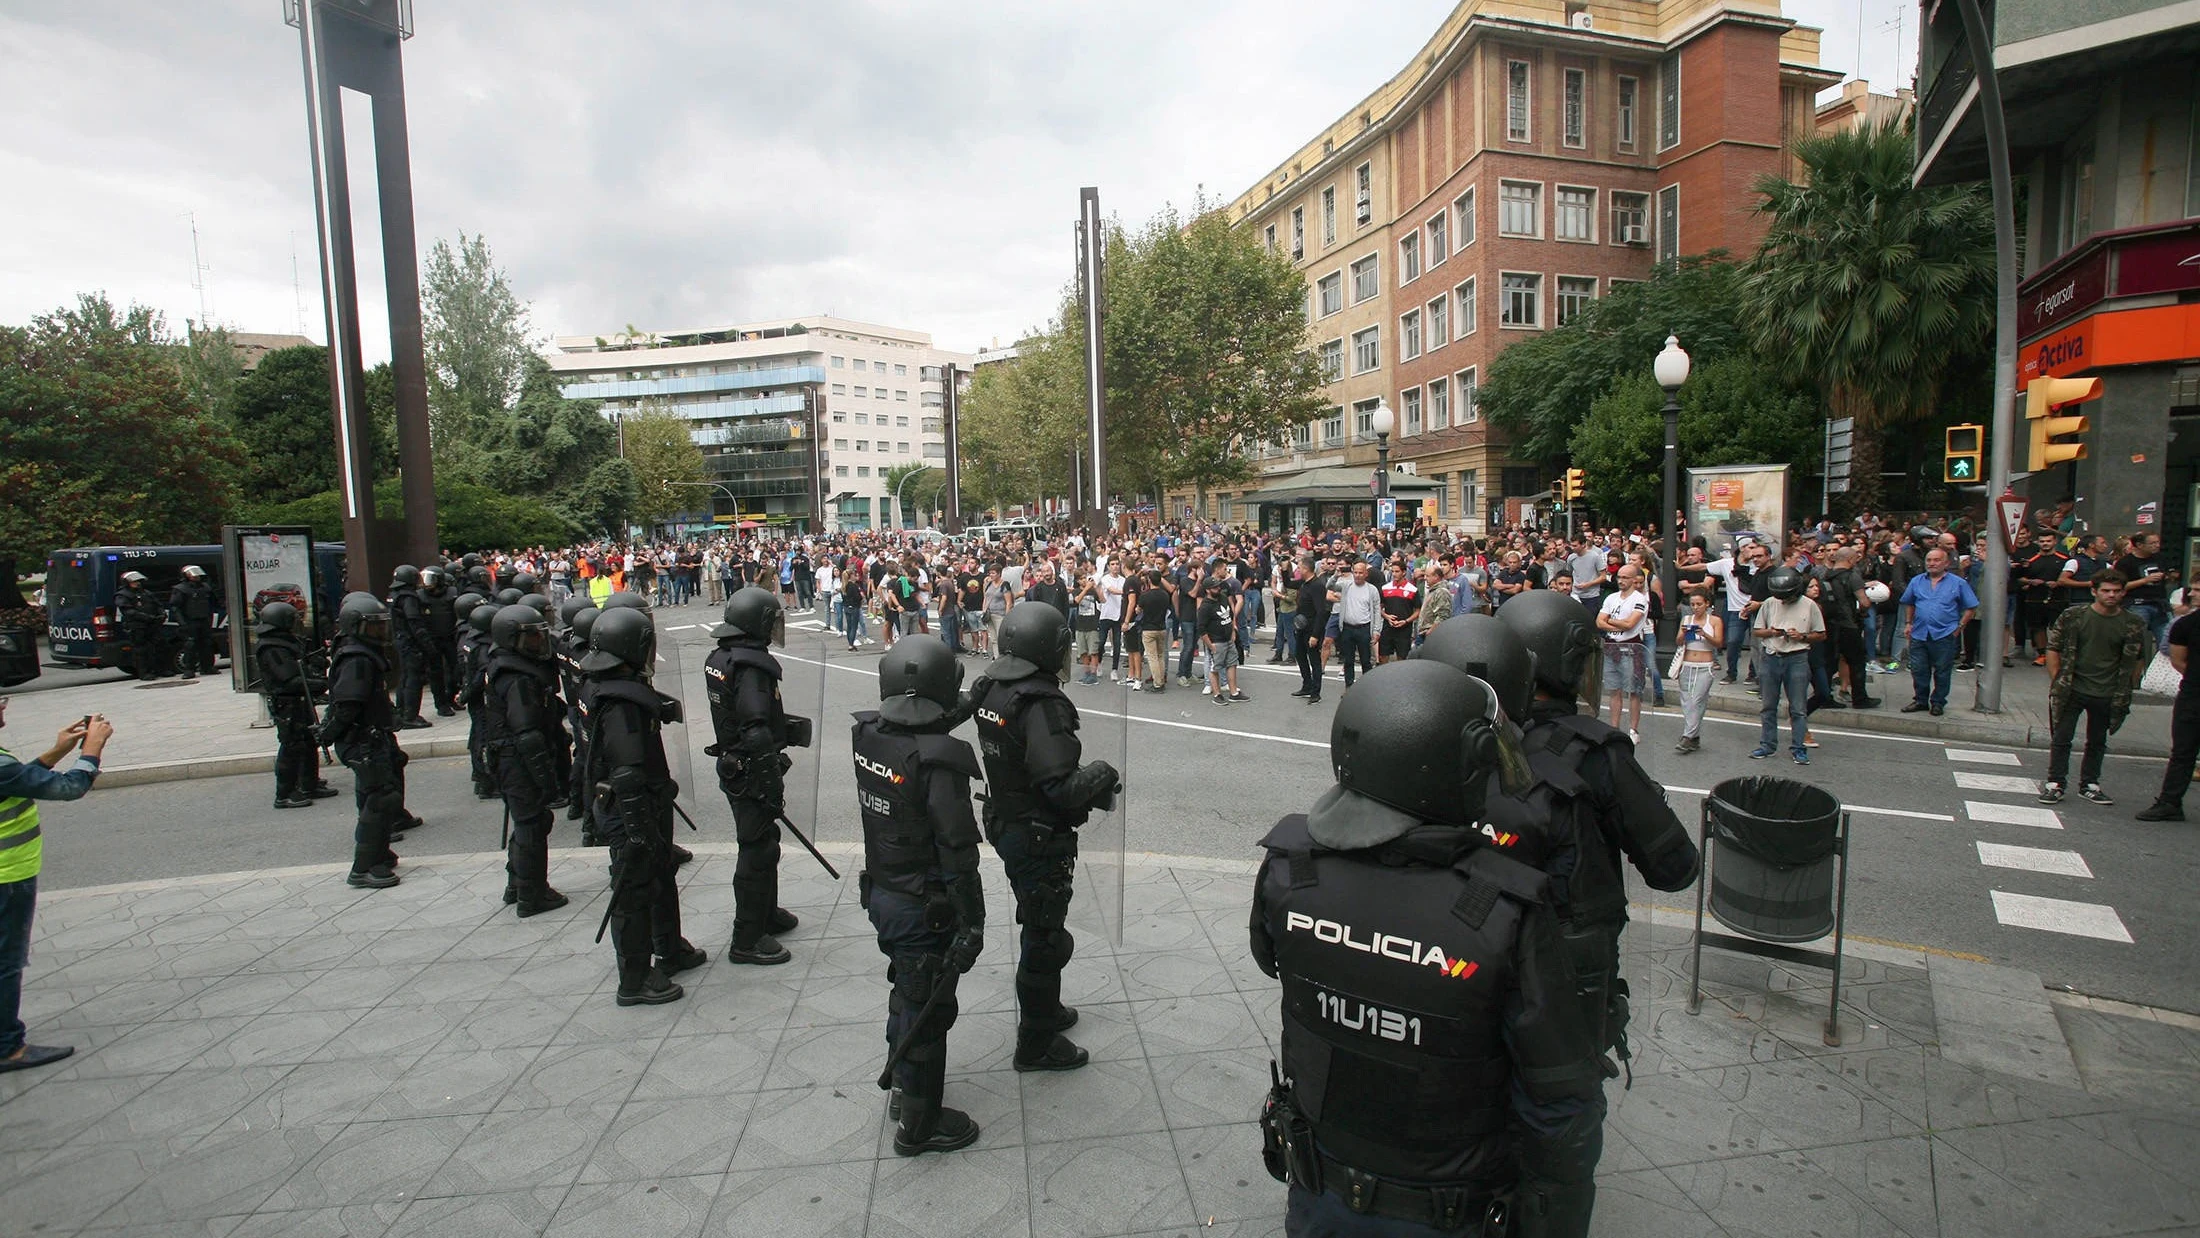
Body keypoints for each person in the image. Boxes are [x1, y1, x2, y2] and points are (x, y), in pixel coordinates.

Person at [1249, 661, 1606, 1238]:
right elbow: (1559, 1096)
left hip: (1320, 1194)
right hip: (1448, 1211)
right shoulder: (1502, 908)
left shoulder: (1292, 868)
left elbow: (1272, 961)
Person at [853, 636, 988, 1154]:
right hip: (925, 905)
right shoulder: (942, 762)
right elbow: (958, 853)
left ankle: (904, 1084)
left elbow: (910, 731)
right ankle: (920, 1123)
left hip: (886, 892)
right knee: (930, 1007)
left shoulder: (868, 736)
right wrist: (973, 923)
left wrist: (966, 705)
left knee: (907, 991)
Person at [969, 602, 1118, 1071]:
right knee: (1044, 936)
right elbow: (1059, 787)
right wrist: (1101, 773)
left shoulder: (992, 685)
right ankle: (1036, 1042)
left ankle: (1047, 1011)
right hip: (1037, 834)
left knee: (1041, 926)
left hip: (1008, 821)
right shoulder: (1041, 703)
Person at [580, 605, 696, 1006]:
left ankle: (669, 948)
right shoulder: (621, 702)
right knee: (633, 888)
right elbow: (627, 769)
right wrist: (636, 826)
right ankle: (634, 978)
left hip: (645, 799)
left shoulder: (600, 683)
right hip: (632, 804)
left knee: (660, 875)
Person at [0, 698, 112, 1074]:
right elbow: (69, 788)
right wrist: (91, 750)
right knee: (6, 962)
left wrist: (55, 751)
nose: (4, 707)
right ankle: (7, 1047)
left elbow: (14, 782)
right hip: (7, 876)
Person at [704, 587, 809, 965]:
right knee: (757, 850)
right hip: (749, 767)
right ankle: (747, 937)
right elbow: (756, 728)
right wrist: (771, 783)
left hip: (734, 763)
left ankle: (766, 913)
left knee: (765, 841)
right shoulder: (751, 666)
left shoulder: (721, 656)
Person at [317, 592, 416, 889]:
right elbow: (348, 704)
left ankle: (379, 853)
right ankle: (364, 867)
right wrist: (330, 733)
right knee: (380, 799)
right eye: (373, 626)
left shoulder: (361, 653)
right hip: (363, 738)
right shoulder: (357, 659)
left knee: (373, 796)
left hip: (370, 734)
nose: (380, 632)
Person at [483, 605, 572, 917]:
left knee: (526, 822)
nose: (539, 643)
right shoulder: (517, 677)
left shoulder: (510, 665)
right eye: (531, 638)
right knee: (533, 823)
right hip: (516, 759)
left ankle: (518, 883)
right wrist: (547, 779)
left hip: (510, 757)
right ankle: (532, 894)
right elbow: (527, 734)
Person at [2038, 569, 2150, 807]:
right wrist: (2057, 679)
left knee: (2097, 740)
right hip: (2072, 688)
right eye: (2106, 591)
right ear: (2094, 592)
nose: (2111, 595)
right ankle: (2055, 782)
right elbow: (2053, 647)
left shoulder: (2132, 623)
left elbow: (2137, 657)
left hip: (2108, 690)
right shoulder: (2074, 616)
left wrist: (2130, 684)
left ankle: (2089, 783)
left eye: (2116, 591)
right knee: (2062, 737)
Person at [253, 601, 334, 809]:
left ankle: (309, 783)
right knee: (291, 746)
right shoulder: (271, 647)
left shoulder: (286, 642)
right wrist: (321, 684)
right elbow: (288, 679)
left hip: (299, 700)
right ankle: (285, 792)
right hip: (287, 703)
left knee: (308, 742)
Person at [1751, 567, 1821, 765]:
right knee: (1768, 706)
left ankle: (1798, 748)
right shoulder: (1769, 603)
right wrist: (1772, 632)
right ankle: (1767, 745)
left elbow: (1821, 633)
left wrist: (1802, 636)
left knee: (1798, 707)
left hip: (1797, 657)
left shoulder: (1810, 605)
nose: (1783, 601)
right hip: (1771, 656)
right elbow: (1757, 631)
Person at [2137, 602, 2198, 821]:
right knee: (2183, 751)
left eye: (2198, 589)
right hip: (2193, 696)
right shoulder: (2186, 625)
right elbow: (2179, 661)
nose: (2191, 594)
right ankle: (2170, 803)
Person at [1898, 548, 1978, 717]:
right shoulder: (1917, 581)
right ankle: (1920, 700)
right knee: (1918, 669)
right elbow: (1909, 603)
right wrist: (1908, 623)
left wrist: (1960, 626)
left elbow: (1971, 607)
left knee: (1942, 671)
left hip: (1944, 634)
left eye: (1936, 560)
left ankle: (1938, 702)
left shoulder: (1958, 583)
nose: (1932, 564)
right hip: (1919, 633)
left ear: (1946, 563)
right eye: (1929, 560)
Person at [1596, 563, 1651, 742]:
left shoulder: (1639, 599)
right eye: (1619, 576)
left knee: (1633, 691)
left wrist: (1610, 621)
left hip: (1631, 647)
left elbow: (1630, 624)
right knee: (1614, 689)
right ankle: (1614, 727)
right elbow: (1599, 622)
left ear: (1635, 580)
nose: (1621, 580)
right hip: (1612, 646)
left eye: (1625, 577)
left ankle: (1633, 729)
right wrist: (1616, 622)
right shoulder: (1611, 598)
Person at [1673, 589, 1723, 754]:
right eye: (1693, 604)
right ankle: (1694, 737)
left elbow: (1718, 643)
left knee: (1697, 701)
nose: (1695, 607)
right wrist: (1685, 632)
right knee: (1687, 701)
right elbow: (1678, 641)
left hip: (1704, 665)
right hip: (1687, 663)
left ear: (1707, 604)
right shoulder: (1687, 619)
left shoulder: (1714, 620)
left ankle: (1687, 736)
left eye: (1699, 604)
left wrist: (1705, 634)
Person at [385, 565, 435, 729]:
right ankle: (410, 715)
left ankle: (402, 711)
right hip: (410, 642)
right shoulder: (409, 597)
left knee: (405, 677)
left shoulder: (394, 595)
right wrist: (427, 645)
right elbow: (414, 622)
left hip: (400, 640)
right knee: (414, 678)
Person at [2115, 532, 2172, 653]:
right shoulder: (2125, 563)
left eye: (2157, 542)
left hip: (2160, 603)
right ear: (2140, 545)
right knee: (2134, 642)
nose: (2156, 546)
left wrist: (2167, 576)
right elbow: (2120, 586)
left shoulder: (2160, 558)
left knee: (2166, 643)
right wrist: (2145, 580)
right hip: (2138, 604)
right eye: (2152, 543)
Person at [1328, 560, 1379, 689]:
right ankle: (1349, 687)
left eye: (1360, 573)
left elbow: (1377, 610)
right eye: (1355, 572)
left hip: (1364, 628)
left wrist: (1376, 630)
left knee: (1365, 660)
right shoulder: (1346, 585)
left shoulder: (1372, 590)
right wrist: (1336, 575)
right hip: (1347, 628)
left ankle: (1367, 688)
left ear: (1366, 574)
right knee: (1348, 660)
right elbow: (1329, 586)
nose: (1357, 575)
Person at [419, 566, 459, 716]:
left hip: (450, 637)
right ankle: (441, 704)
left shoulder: (452, 593)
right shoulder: (420, 596)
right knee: (435, 673)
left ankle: (451, 696)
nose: (426, 583)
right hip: (431, 639)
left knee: (456, 670)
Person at [113, 570, 167, 682]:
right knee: (141, 650)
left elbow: (158, 604)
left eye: (138, 581)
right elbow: (128, 611)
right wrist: (146, 617)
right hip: (137, 626)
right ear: (126, 582)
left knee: (157, 647)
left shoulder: (146, 593)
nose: (137, 583)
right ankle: (144, 673)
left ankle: (160, 669)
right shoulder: (122, 595)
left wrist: (161, 614)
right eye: (134, 581)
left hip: (152, 625)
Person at [169, 565, 215, 680]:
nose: (196, 576)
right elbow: (175, 607)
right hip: (190, 621)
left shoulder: (205, 587)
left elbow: (213, 602)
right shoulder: (180, 589)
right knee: (190, 645)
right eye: (193, 574)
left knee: (207, 644)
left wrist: (210, 617)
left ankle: (207, 667)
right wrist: (182, 623)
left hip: (204, 620)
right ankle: (189, 669)